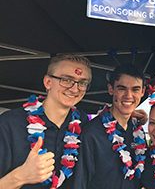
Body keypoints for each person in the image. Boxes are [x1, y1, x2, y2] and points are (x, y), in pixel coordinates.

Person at [0, 54, 92, 189]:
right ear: (48, 82)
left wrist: (129, 113)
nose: (74, 88)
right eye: (66, 80)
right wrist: (21, 176)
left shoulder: (84, 125)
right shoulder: (10, 123)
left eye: (82, 83)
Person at [73, 63, 147, 189]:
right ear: (111, 89)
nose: (129, 95)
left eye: (135, 89)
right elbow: (80, 183)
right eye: (122, 88)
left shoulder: (138, 132)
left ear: (142, 92)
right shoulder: (91, 133)